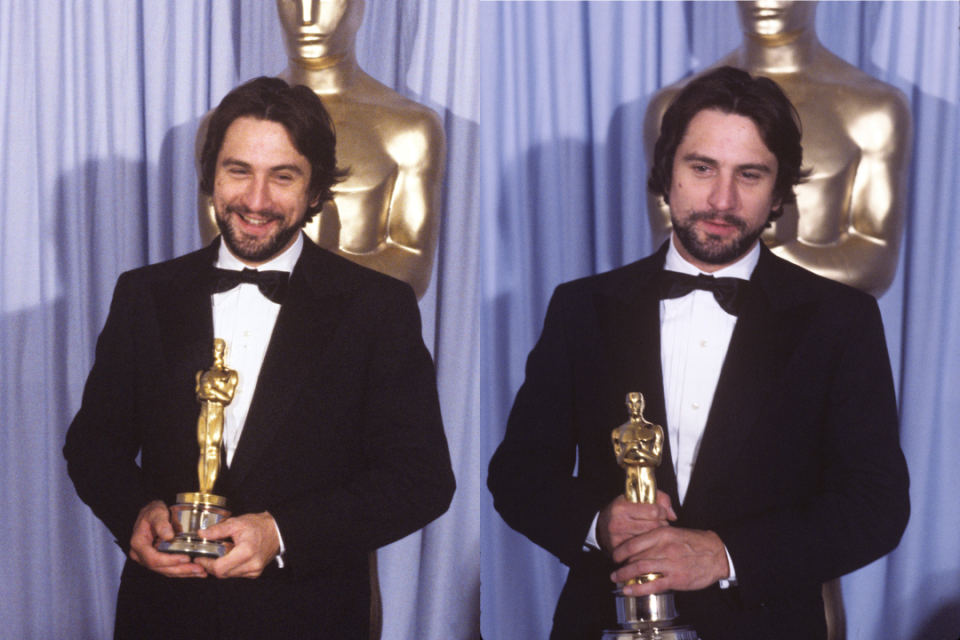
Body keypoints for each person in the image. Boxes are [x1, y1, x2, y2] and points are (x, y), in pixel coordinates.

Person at [488, 67, 909, 640]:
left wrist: (723, 556)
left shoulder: (840, 319)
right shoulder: (582, 306)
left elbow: (875, 506)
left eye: (750, 174)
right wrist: (597, 521)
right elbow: (517, 472)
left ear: (781, 189)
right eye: (702, 167)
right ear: (666, 171)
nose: (722, 199)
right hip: (602, 622)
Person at [64, 76, 455, 640]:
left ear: (317, 190)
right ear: (211, 177)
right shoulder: (144, 294)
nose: (255, 201)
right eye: (238, 170)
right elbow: (93, 446)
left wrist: (281, 534)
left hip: (309, 620)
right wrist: (136, 513)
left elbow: (420, 479)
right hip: (162, 618)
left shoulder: (377, 308)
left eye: (284, 176)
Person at [644, 0, 911, 297]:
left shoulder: (876, 108)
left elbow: (877, 261)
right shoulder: (672, 106)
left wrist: (777, 252)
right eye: (703, 168)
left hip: (820, 332)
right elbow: (667, 246)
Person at [198, 0, 445, 300]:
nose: (307, 15)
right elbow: (221, 252)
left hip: (362, 336)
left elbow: (412, 262)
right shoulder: (224, 126)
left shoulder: (411, 128)